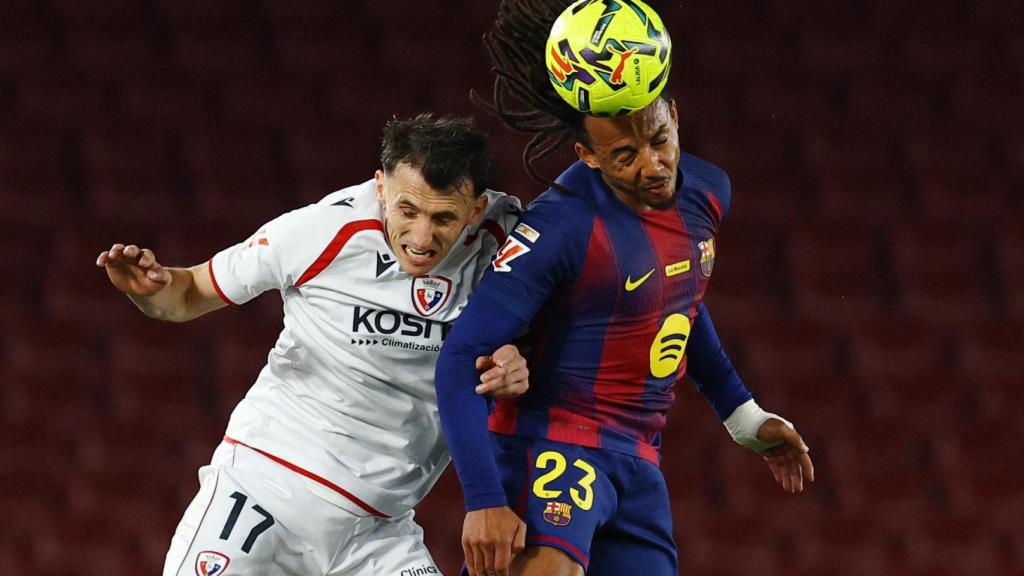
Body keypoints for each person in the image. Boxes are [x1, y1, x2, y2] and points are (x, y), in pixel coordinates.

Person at [434, 3, 815, 576]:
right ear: (586, 155)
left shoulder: (707, 194)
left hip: (637, 463)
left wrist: (744, 416)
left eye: (661, 140)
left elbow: (677, 302)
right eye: (624, 156)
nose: (654, 165)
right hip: (552, 445)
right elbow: (459, 357)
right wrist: (485, 501)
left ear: (676, 117)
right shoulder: (560, 227)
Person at [96, 114, 531, 576]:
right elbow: (185, 295)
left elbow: (564, 335)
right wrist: (149, 290)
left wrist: (523, 364)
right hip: (264, 491)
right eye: (407, 210)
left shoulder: (510, 241)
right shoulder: (321, 231)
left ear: (477, 208)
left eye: (443, 217)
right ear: (380, 187)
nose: (422, 239)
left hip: (379, 532)